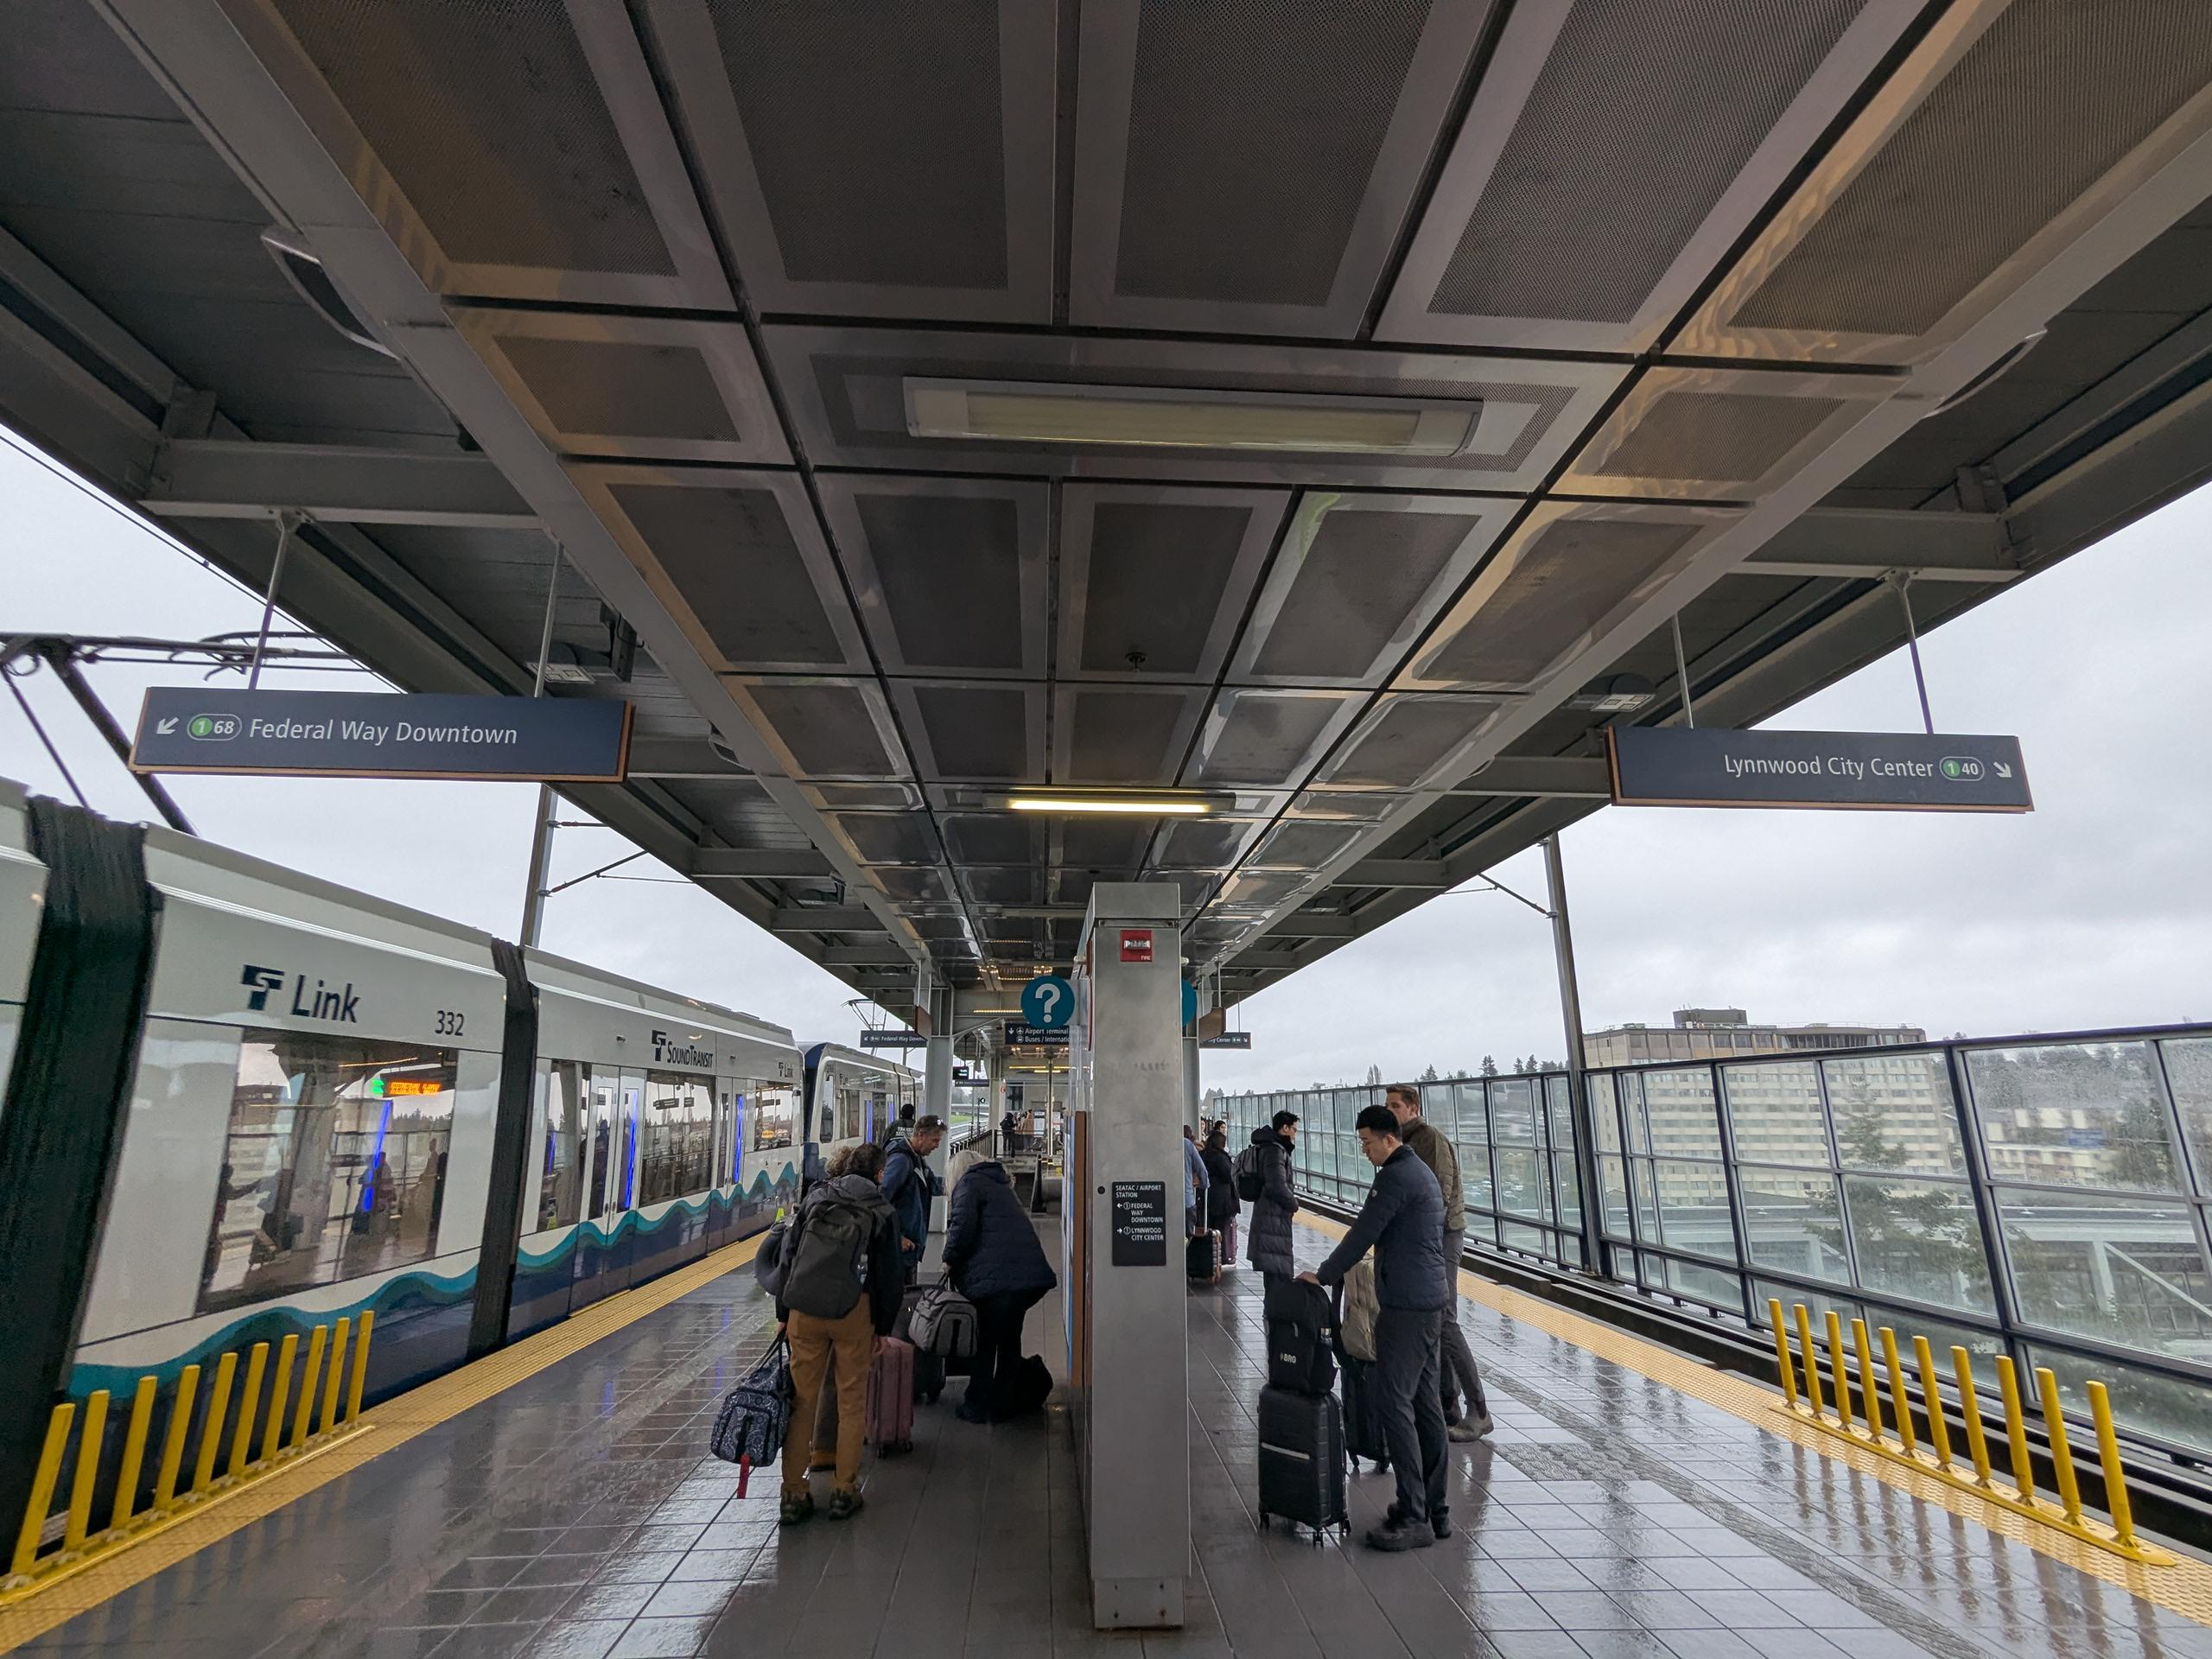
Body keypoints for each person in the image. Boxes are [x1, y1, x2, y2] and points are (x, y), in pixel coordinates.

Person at [1300, 1104, 1449, 1551]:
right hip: (1426, 1301)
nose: (1364, 1150)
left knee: (1394, 1405)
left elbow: (1363, 1231)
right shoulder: (1416, 1171)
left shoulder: (1396, 1177)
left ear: (1390, 1138)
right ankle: (1435, 1511)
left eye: (1367, 1142)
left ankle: (1413, 1514)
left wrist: (1323, 1274)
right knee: (1425, 1407)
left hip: (1406, 1305)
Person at [774, 1141, 902, 1525]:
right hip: (852, 1312)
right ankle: (844, 1492)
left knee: (800, 1405)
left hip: (805, 1310)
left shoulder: (816, 1199)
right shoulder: (881, 1210)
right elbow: (889, 1278)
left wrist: (784, 1313)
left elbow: (788, 1256)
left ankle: (794, 1495)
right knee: (851, 1404)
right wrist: (882, 1326)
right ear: (879, 1174)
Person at [1386, 1083, 1492, 1442]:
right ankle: (1449, 1405)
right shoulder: (1399, 1143)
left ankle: (1479, 1410)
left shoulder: (1428, 1139)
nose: (1391, 1111)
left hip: (1442, 1237)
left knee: (1445, 1318)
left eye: (1396, 1105)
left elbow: (1438, 1197)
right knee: (1434, 1320)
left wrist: (1423, 1243)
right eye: (1387, 1105)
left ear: (1413, 1108)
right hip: (1428, 1239)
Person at [940, 1152, 1058, 1422]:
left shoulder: (969, 1185)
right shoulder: (1000, 1184)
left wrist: (948, 1260)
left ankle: (977, 1405)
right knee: (1009, 1340)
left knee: (986, 1343)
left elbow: (962, 1227)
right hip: (1026, 1277)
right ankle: (1003, 1402)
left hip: (998, 1282)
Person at [880, 1115, 945, 1285]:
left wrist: (959, 1182)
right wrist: (897, 1237)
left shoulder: (916, 1159)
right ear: (921, 1135)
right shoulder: (901, 1161)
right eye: (935, 1140)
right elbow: (880, 1200)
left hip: (909, 1248)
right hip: (899, 1249)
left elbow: (933, 1185)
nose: (937, 1146)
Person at [1242, 1110, 1300, 1285]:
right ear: (1285, 1128)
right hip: (1272, 1220)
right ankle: (1275, 1311)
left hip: (1269, 1218)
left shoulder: (1269, 1147)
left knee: (1275, 1274)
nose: (1295, 1134)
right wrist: (1293, 1204)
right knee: (1278, 1275)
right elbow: (1276, 1185)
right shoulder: (1275, 1150)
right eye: (1294, 1130)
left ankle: (1273, 1309)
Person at [1199, 1124, 1237, 1258]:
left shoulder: (1203, 1155)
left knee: (1208, 1229)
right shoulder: (1221, 1157)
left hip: (1206, 1198)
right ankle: (1219, 1257)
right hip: (1221, 1201)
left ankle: (1208, 1256)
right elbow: (1229, 1176)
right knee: (1221, 1231)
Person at [1181, 1123, 1209, 1237]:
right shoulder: (1187, 1144)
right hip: (1186, 1199)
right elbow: (1201, 1169)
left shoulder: (1160, 1144)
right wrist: (1204, 1185)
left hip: (1163, 1200)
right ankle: (1186, 1252)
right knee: (1187, 1236)